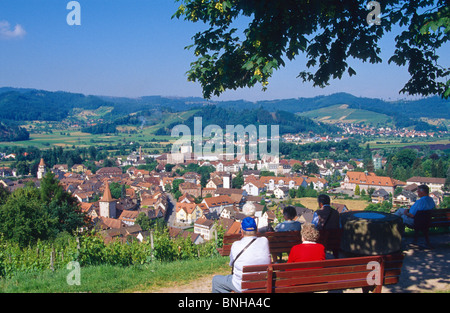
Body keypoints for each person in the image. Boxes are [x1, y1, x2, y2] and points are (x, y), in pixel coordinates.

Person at [211, 217, 271, 293]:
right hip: (262, 283)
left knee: (216, 280)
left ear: (242, 231)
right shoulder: (264, 241)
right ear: (256, 230)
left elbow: (231, 264)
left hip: (242, 286)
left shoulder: (236, 245)